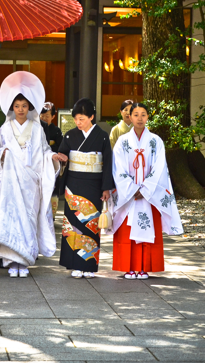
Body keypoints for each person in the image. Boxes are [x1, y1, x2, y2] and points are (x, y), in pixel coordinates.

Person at [0, 72, 65, 278]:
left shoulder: (37, 129)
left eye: (24, 106)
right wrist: (4, 153)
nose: (20, 110)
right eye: (17, 106)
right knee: (12, 219)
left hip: (30, 180)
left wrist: (52, 159)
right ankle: (13, 260)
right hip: (11, 182)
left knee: (29, 219)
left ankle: (25, 261)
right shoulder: (5, 128)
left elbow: (43, 152)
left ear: (29, 107)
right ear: (11, 108)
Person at [106, 102, 184, 279]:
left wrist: (146, 189)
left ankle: (144, 267)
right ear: (130, 117)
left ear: (148, 117)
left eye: (143, 114)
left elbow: (159, 168)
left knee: (148, 228)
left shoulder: (156, 141)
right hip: (129, 194)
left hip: (150, 195)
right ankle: (129, 267)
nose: (139, 118)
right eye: (136, 114)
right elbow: (117, 168)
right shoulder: (122, 141)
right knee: (127, 230)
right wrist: (132, 189)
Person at [57, 98, 115, 279]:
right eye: (76, 119)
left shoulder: (102, 136)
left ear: (91, 117)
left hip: (94, 184)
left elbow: (107, 163)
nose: (78, 123)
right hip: (73, 184)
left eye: (81, 119)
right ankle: (74, 264)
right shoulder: (70, 136)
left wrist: (106, 188)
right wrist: (61, 159)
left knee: (90, 224)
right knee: (73, 224)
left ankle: (89, 265)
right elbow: (62, 156)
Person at [40, 102, 64, 219]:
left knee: (53, 193)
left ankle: (52, 217)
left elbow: (59, 148)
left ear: (53, 116)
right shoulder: (37, 128)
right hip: (39, 166)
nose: (44, 118)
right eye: (42, 115)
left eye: (47, 115)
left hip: (52, 167)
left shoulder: (56, 131)